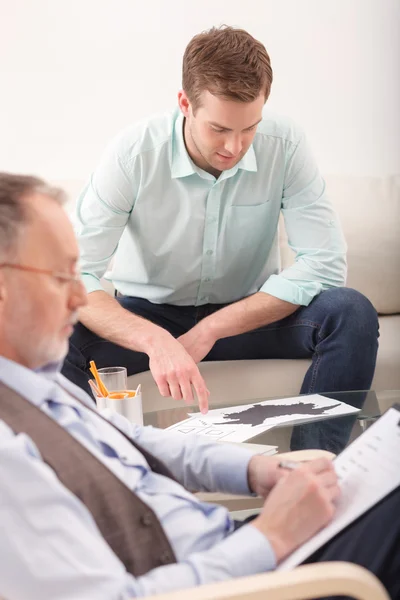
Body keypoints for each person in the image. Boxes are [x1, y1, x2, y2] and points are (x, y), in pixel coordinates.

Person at [0, 173, 398, 600]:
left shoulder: (38, 383)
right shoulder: (8, 455)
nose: (81, 298)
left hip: (233, 550)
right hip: (238, 582)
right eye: (61, 277)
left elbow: (134, 439)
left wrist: (254, 470)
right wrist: (272, 535)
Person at [62, 26, 378, 454]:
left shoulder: (285, 145)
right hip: (148, 314)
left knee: (350, 311)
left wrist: (211, 328)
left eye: (250, 128)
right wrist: (156, 342)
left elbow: (323, 263)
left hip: (247, 316)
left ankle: (312, 469)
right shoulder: (132, 154)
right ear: (184, 104)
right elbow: (74, 273)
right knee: (56, 335)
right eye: (219, 128)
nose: (235, 146)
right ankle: (110, 481)